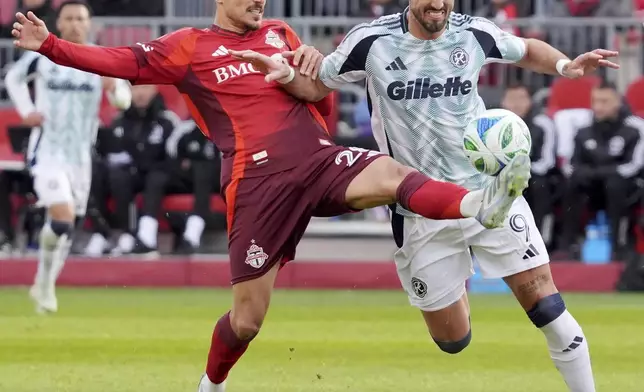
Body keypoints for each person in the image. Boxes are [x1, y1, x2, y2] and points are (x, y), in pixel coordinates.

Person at [11, 3, 531, 391]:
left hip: (316, 162)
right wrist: (51, 45)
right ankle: (210, 385)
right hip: (259, 185)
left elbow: (319, 90)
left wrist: (323, 118)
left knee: (393, 173)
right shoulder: (190, 46)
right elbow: (121, 60)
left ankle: (477, 204)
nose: (259, 2)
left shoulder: (280, 33)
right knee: (247, 321)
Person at [233, 1, 620, 391]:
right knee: (452, 339)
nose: (438, 4)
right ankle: (458, 279)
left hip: (488, 191)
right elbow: (317, 84)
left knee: (546, 305)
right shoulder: (370, 42)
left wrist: (564, 66)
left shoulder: (473, 32)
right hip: (419, 207)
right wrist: (286, 76)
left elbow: (526, 49)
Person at [4, 0, 131, 313]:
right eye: (69, 18)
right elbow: (12, 78)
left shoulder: (101, 58)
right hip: (47, 150)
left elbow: (125, 102)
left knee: (66, 228)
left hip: (80, 157)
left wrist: (114, 89)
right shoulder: (45, 56)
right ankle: (46, 286)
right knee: (61, 218)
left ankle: (44, 282)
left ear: (90, 25)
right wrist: (27, 110)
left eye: (81, 18)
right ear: (59, 23)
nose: (75, 23)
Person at [89, 85, 178, 256]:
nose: (140, 94)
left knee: (156, 177)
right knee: (103, 173)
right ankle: (106, 232)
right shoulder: (120, 120)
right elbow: (111, 150)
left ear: (154, 90)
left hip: (160, 175)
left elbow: (172, 155)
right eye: (136, 89)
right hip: (129, 174)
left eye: (145, 88)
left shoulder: (167, 120)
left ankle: (144, 234)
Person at [560, 81, 644, 259]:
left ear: (618, 102)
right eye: (595, 101)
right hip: (593, 186)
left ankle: (619, 246)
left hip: (625, 187)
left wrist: (598, 172)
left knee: (615, 184)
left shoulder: (635, 127)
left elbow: (633, 166)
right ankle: (568, 245)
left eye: (604, 101)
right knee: (572, 184)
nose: (598, 106)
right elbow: (571, 165)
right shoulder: (583, 129)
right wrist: (592, 174)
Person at [501, 83, 556, 236]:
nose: (516, 104)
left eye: (521, 98)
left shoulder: (542, 123)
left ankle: (539, 236)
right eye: (511, 99)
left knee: (540, 185)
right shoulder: (494, 123)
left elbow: (547, 161)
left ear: (530, 101)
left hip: (533, 173)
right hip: (500, 173)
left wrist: (520, 169)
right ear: (503, 102)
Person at [165, 119, 223, 254]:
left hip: (217, 181)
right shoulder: (184, 128)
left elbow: (227, 160)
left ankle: (194, 226)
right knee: (158, 176)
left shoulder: (224, 128)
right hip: (187, 180)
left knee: (204, 168)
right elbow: (171, 156)